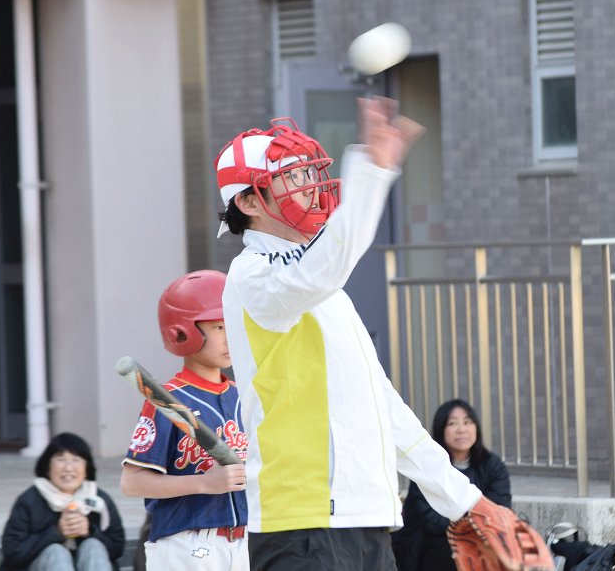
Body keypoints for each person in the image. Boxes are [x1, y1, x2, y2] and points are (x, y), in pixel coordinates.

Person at [215, 97, 492, 571]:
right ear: (248, 202)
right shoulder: (251, 274)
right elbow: (324, 268)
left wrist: (466, 501)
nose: (310, 187)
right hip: (300, 526)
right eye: (292, 178)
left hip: (368, 521)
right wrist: (372, 171)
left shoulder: (325, 286)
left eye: (309, 172)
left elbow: (384, 407)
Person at [121, 269, 250, 570]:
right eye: (218, 327)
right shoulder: (166, 401)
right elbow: (132, 482)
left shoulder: (243, 395)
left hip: (243, 543)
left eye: (232, 323)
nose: (229, 336)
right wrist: (205, 483)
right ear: (182, 331)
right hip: (186, 545)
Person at [395, 399, 511, 571]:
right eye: (452, 423)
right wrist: (472, 526)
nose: (461, 429)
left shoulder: (493, 466)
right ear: (441, 429)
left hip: (480, 539)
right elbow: (431, 521)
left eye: (467, 422)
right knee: (449, 551)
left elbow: (500, 508)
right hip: (430, 545)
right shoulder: (428, 466)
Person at [0, 432, 125, 571]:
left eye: (76, 460)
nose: (68, 468)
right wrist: (57, 532)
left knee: (93, 546)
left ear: (87, 468)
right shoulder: (29, 501)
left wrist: (90, 531)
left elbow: (117, 548)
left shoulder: (99, 500)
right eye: (61, 459)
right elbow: (12, 554)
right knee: (56, 553)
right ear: (47, 467)